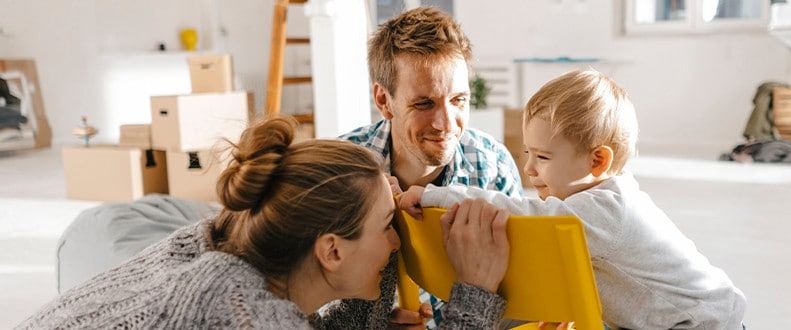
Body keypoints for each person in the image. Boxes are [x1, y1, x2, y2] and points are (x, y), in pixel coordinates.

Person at [17, 117, 512, 329]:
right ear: (331, 250)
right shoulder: (240, 315)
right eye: (388, 225)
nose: (396, 239)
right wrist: (474, 295)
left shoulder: (219, 243)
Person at [399, 70, 748, 329]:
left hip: (704, 322)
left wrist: (435, 195)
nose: (529, 169)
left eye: (544, 157)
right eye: (527, 153)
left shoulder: (608, 210)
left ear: (598, 162)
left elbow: (520, 212)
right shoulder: (589, 205)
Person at [339, 7, 524, 327]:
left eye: (458, 101)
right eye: (424, 103)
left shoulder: (493, 165)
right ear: (384, 100)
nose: (446, 124)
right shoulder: (340, 169)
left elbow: (518, 292)